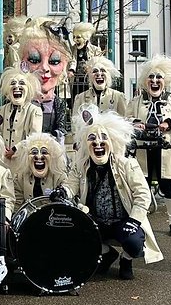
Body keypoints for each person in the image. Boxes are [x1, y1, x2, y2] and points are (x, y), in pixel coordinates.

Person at [69, 105, 163, 280]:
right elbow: (70, 186)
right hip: (95, 221)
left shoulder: (127, 164)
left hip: (123, 221)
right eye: (92, 138)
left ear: (112, 141)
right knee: (72, 232)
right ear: (86, 144)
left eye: (103, 138)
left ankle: (126, 259)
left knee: (134, 244)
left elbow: (143, 194)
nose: (98, 143)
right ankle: (107, 253)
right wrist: (63, 191)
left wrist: (134, 220)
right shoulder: (80, 166)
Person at [126, 55, 171, 238]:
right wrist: (136, 122)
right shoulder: (137, 101)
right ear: (145, 81)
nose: (154, 81)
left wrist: (170, 122)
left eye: (159, 78)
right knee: (141, 185)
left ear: (165, 81)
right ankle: (140, 221)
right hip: (143, 151)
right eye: (151, 77)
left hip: (167, 150)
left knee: (169, 186)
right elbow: (126, 117)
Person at [18, 19, 70, 145]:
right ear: (22, 64)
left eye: (54, 61)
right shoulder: (19, 103)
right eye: (34, 60)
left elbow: (61, 130)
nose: (45, 68)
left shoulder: (58, 104)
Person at [0, 67, 43, 173]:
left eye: (21, 83)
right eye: (13, 83)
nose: (17, 86)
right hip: (3, 160)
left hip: (23, 160)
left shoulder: (35, 111)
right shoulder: (1, 110)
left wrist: (15, 149)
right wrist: (2, 147)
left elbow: (34, 136)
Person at [12, 132, 70, 205]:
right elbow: (17, 204)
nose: (39, 156)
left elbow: (66, 203)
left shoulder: (59, 177)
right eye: (34, 152)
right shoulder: (20, 178)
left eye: (44, 152)